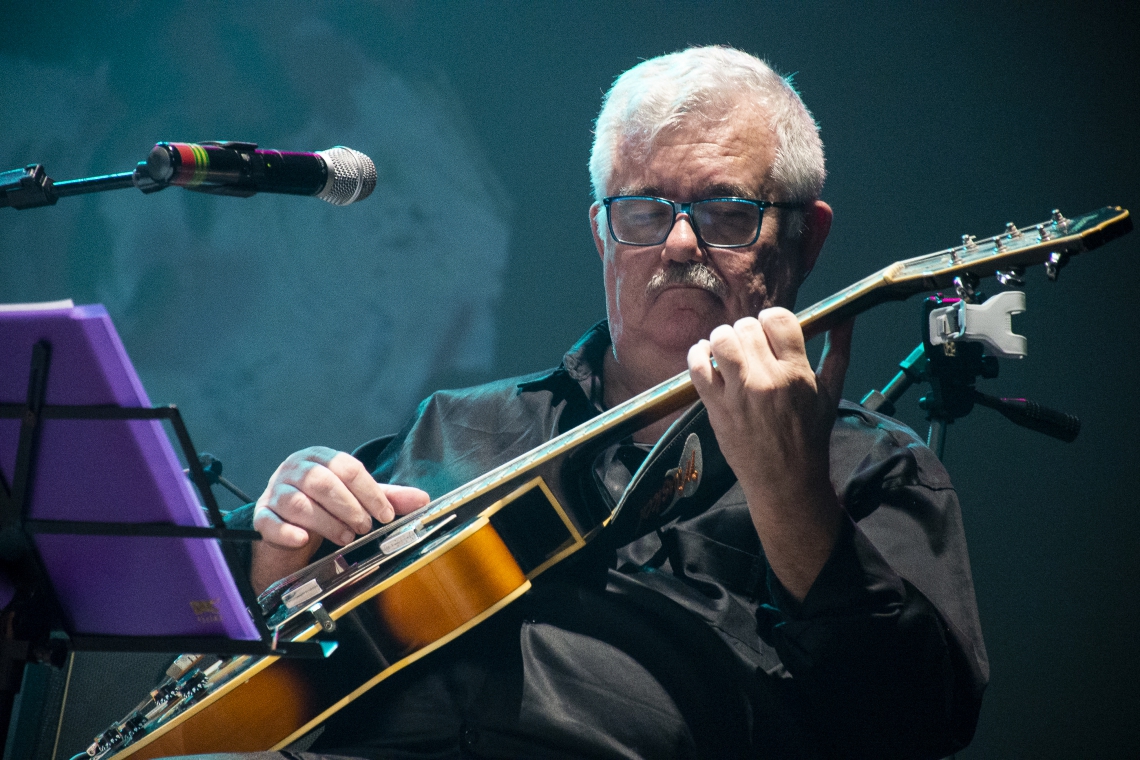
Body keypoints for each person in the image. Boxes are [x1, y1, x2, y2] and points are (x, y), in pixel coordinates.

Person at [240, 46, 988, 759]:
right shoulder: (458, 425)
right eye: (643, 211)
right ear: (601, 233)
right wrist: (283, 566)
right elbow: (290, 652)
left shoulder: (870, 470)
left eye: (727, 212)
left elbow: (914, 720)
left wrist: (792, 497)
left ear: (805, 237)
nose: (680, 245)